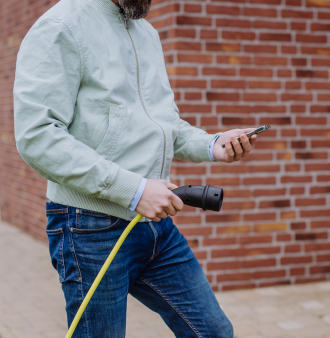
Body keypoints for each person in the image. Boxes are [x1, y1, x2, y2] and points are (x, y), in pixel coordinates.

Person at [13, 0, 254, 336]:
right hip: (89, 228)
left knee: (213, 332)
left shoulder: (147, 33)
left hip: (154, 226)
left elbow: (162, 124)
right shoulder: (60, 26)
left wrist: (212, 145)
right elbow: (37, 136)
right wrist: (134, 190)